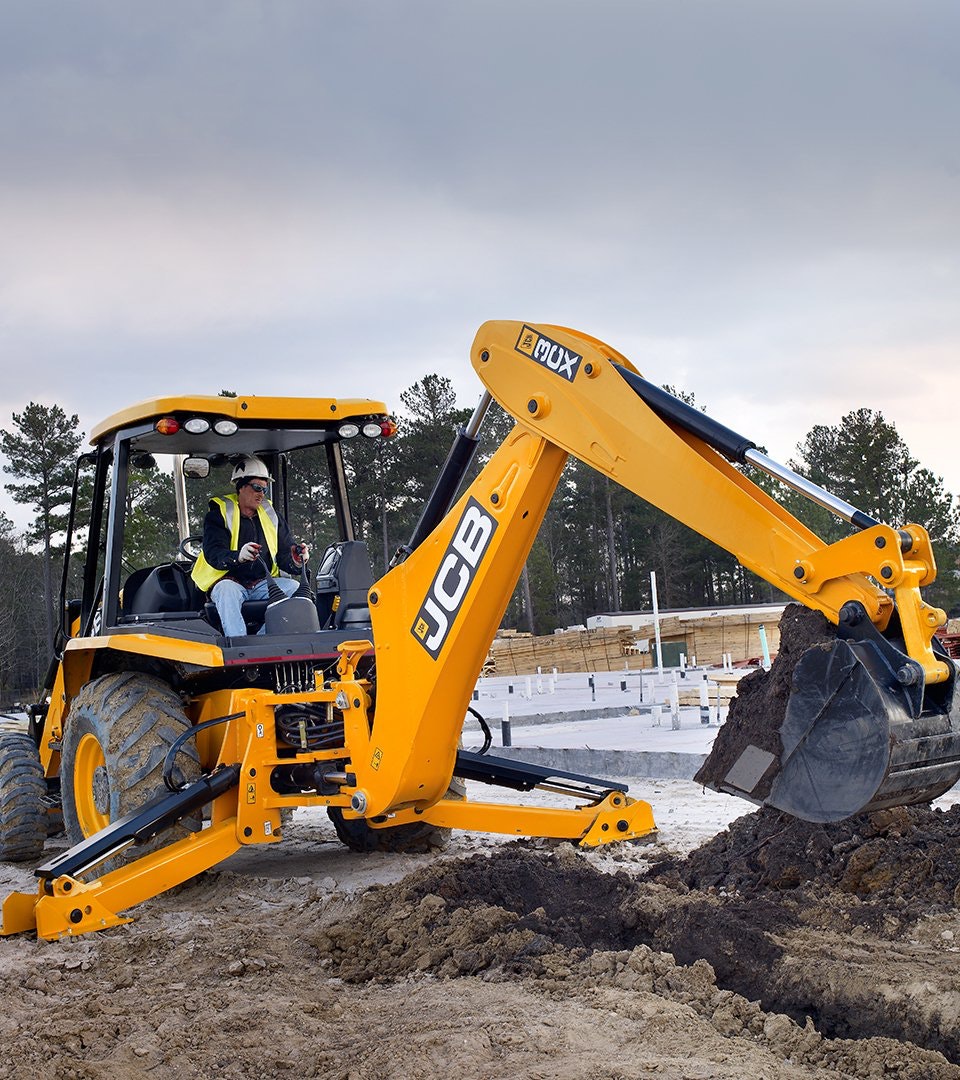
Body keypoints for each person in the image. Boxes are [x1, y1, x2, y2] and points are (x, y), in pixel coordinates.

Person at [191, 456, 310, 637]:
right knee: (227, 591)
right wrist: (238, 556)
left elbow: (284, 555)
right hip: (230, 582)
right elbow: (214, 553)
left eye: (264, 489)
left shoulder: (272, 516)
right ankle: (238, 645)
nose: (261, 494)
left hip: (262, 584)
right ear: (241, 486)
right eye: (257, 487)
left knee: (294, 588)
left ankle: (261, 641)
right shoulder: (218, 515)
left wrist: (296, 559)